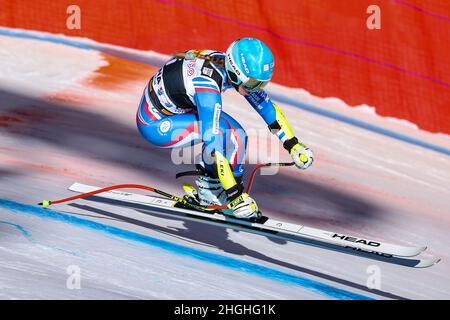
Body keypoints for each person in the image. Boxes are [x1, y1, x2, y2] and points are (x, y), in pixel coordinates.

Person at [136, 38, 313, 220]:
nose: (257, 89)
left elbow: (267, 108)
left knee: (238, 135)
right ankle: (211, 195)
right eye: (254, 84)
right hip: (155, 124)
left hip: (180, 108)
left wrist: (293, 145)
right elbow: (213, 145)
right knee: (221, 134)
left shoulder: (227, 66)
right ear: (235, 74)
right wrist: (235, 196)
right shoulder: (207, 86)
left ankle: (218, 193)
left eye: (262, 84)